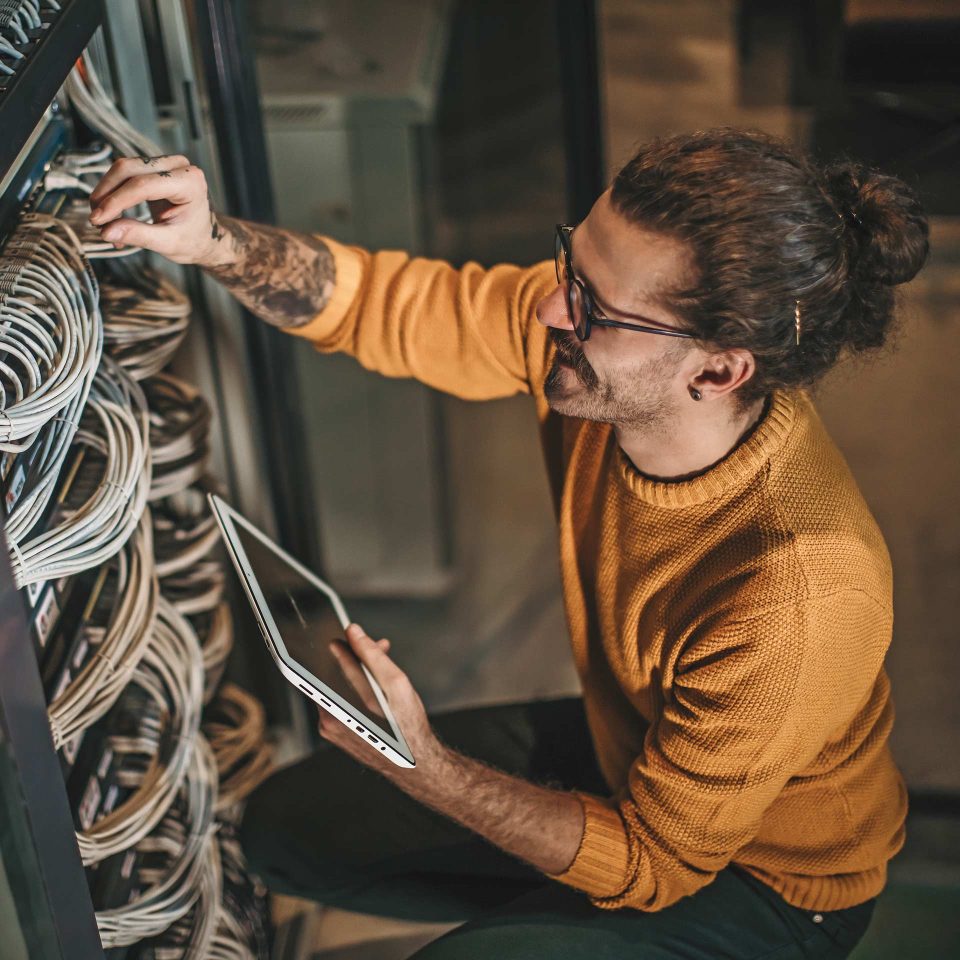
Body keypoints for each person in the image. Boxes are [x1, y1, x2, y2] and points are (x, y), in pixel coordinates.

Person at [89, 128, 928, 959]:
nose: (549, 308)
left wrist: (428, 768)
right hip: (632, 751)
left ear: (715, 372)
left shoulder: (801, 587)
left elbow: (653, 864)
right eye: (572, 263)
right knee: (286, 831)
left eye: (593, 308)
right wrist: (210, 240)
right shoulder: (611, 352)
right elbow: (393, 305)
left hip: (765, 887)